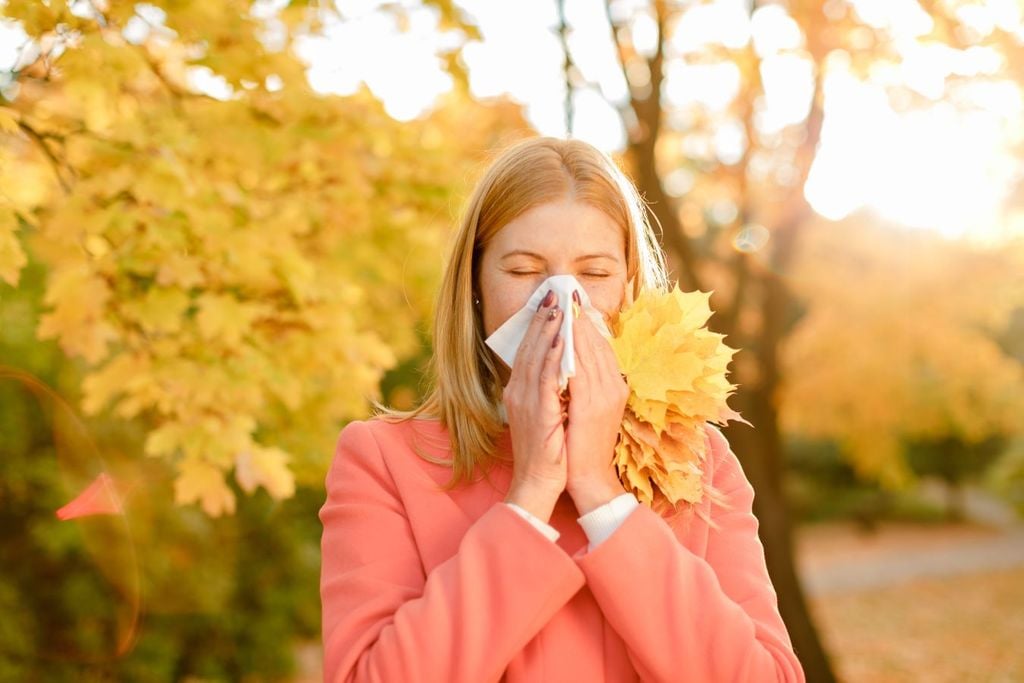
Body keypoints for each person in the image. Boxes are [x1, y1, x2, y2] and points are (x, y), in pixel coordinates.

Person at [319, 136, 806, 682]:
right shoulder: (383, 459)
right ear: (475, 286)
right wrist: (530, 492)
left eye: (594, 274)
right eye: (524, 270)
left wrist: (601, 494)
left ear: (628, 288)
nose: (560, 300)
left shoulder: (698, 461)